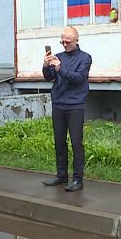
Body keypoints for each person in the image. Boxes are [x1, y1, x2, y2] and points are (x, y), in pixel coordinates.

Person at [41, 26, 92, 192]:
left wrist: (59, 67)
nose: (64, 44)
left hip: (75, 105)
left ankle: (78, 179)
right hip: (58, 104)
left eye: (67, 41)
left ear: (76, 40)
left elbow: (78, 78)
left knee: (76, 143)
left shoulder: (85, 58)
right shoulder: (59, 57)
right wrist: (46, 64)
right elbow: (49, 77)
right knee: (59, 141)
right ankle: (61, 175)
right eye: (62, 41)